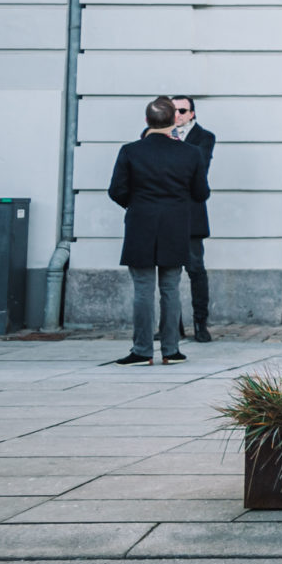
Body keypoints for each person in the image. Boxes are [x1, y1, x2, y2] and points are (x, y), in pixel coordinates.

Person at [106, 96, 209, 365]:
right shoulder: (191, 153)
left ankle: (141, 350)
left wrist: (136, 204)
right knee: (171, 288)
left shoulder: (130, 150)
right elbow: (201, 193)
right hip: (176, 225)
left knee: (142, 289)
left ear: (146, 121)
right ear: (174, 119)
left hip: (141, 223)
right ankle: (171, 350)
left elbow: (116, 190)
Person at [169, 95, 215, 343]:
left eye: (182, 110)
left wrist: (172, 144)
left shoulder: (204, 137)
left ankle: (200, 323)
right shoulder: (155, 133)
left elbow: (200, 166)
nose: (177, 115)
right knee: (168, 272)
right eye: (172, 110)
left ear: (192, 113)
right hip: (166, 215)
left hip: (192, 214)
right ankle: (172, 325)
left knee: (196, 270)